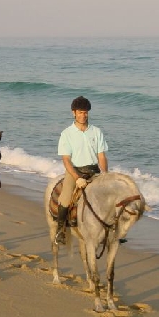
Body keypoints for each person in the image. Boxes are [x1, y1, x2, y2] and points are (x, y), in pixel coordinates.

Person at [55, 96, 108, 244]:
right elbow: (66, 159)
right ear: (74, 113)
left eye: (85, 112)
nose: (83, 115)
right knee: (65, 198)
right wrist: (77, 177)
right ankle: (60, 231)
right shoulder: (67, 133)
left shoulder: (96, 132)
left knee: (109, 197)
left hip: (94, 170)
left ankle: (111, 230)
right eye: (80, 112)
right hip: (75, 171)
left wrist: (104, 174)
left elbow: (102, 156)